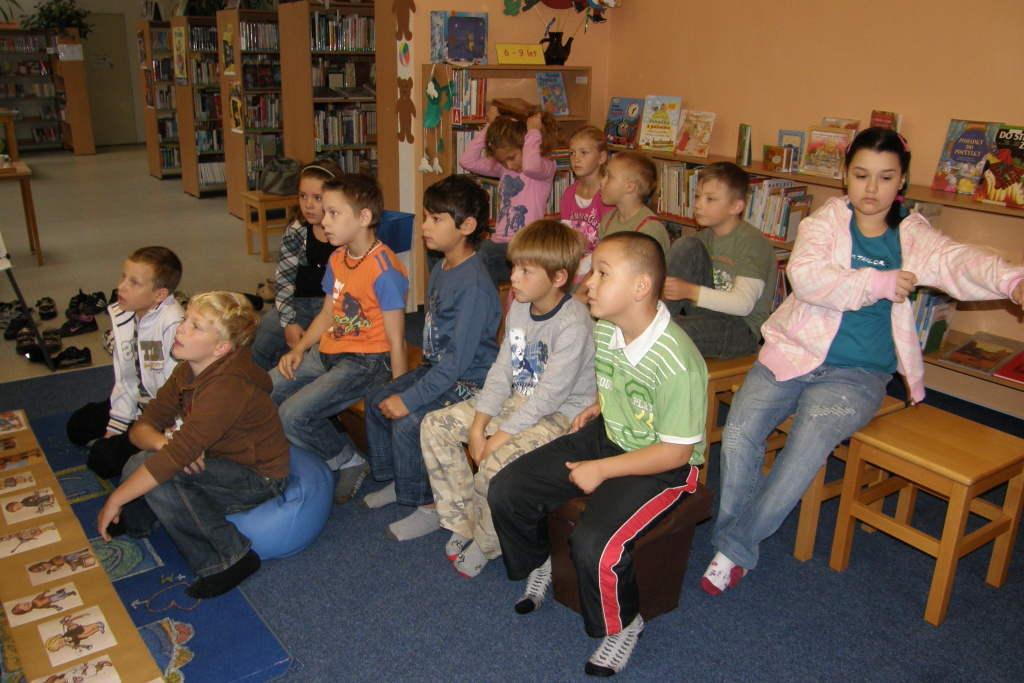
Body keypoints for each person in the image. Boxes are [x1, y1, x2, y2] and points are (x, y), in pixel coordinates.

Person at [702, 128, 1024, 596]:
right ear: (845, 176)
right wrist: (878, 282)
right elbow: (806, 277)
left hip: (858, 374)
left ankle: (735, 548)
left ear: (902, 181)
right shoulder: (824, 224)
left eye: (885, 177)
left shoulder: (913, 237)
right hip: (793, 351)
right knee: (738, 432)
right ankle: (731, 538)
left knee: (807, 443)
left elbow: (961, 261)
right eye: (861, 175)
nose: (872, 189)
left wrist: (1014, 281)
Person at [489, 232, 707, 677]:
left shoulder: (677, 362)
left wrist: (601, 469)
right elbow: (618, 382)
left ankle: (626, 624)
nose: (588, 282)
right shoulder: (607, 327)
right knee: (507, 488)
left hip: (662, 463)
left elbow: (676, 451)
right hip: (610, 433)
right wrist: (599, 405)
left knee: (595, 546)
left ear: (641, 287)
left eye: (603, 274)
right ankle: (541, 561)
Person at [421, 219, 596, 578]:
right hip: (521, 399)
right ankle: (463, 522)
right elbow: (504, 369)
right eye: (514, 266)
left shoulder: (574, 324)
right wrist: (478, 426)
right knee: (434, 426)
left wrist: (498, 437)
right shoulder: (519, 305)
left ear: (558, 277)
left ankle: (487, 542)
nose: (513, 277)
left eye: (526, 271)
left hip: (560, 416)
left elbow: (548, 398)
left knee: (494, 466)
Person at [96, 292, 291, 600]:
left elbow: (173, 460)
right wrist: (163, 443)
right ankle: (139, 521)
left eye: (195, 326)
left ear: (221, 348)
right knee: (141, 462)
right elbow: (143, 426)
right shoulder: (187, 369)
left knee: (164, 476)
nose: (181, 328)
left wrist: (115, 499)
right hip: (218, 459)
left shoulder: (228, 387)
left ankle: (230, 559)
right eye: (186, 319)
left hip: (258, 477)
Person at [361, 174, 501, 541]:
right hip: (438, 368)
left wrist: (410, 400)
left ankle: (428, 505)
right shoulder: (441, 266)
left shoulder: (474, 286)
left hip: (470, 382)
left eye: (436, 219)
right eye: (426, 216)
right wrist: (406, 391)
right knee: (377, 398)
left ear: (466, 227)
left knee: (411, 420)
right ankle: (400, 478)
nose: (424, 225)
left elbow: (457, 364)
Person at [270, 174, 409, 505]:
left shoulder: (385, 270)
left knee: (293, 415)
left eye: (333, 213)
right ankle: (296, 455)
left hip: (367, 360)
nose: (324, 220)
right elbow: (328, 313)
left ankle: (348, 459)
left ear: (363, 217)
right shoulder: (338, 257)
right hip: (330, 349)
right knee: (267, 389)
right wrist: (300, 348)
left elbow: (397, 338)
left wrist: (401, 391)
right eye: (324, 210)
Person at [65, 247, 184, 479]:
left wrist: (160, 436)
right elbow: (126, 378)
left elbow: (178, 396)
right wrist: (115, 426)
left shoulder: (174, 326)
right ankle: (124, 433)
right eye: (123, 277)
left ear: (160, 294)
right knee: (77, 426)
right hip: (139, 401)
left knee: (102, 459)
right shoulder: (126, 313)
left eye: (134, 283)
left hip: (164, 416)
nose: (121, 287)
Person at [663, 161, 775, 359]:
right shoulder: (702, 238)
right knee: (686, 245)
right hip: (708, 316)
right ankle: (651, 321)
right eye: (697, 196)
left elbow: (743, 304)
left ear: (735, 206)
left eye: (710, 199)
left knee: (666, 335)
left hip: (741, 329)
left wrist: (689, 290)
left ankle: (651, 329)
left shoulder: (752, 242)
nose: (698, 204)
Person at [252, 160, 345, 371]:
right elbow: (283, 280)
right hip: (299, 304)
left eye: (317, 198)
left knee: (323, 355)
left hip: (334, 308)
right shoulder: (296, 231)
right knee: (263, 336)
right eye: (303, 196)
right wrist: (289, 322)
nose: (308, 205)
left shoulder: (346, 234)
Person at [458, 104, 559, 286]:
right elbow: (467, 161)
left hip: (525, 248)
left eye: (512, 158)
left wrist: (533, 132)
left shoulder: (544, 168)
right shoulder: (504, 169)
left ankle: (485, 303)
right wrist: (490, 128)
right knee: (456, 247)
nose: (509, 165)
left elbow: (530, 166)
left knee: (482, 256)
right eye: (503, 161)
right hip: (499, 244)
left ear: (525, 146)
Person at [572, 151, 670, 304]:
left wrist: (587, 299)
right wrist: (578, 297)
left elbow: (645, 289)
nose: (602, 182)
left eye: (609, 176)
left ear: (629, 187)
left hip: (632, 302)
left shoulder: (649, 229)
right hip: (607, 291)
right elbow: (597, 268)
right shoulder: (609, 219)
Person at [560, 125, 612, 289]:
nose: (576, 159)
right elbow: (565, 238)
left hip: (596, 269)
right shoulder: (569, 193)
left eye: (584, 153)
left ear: (601, 157)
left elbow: (606, 247)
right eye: (572, 153)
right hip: (572, 266)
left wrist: (576, 269)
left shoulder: (607, 196)